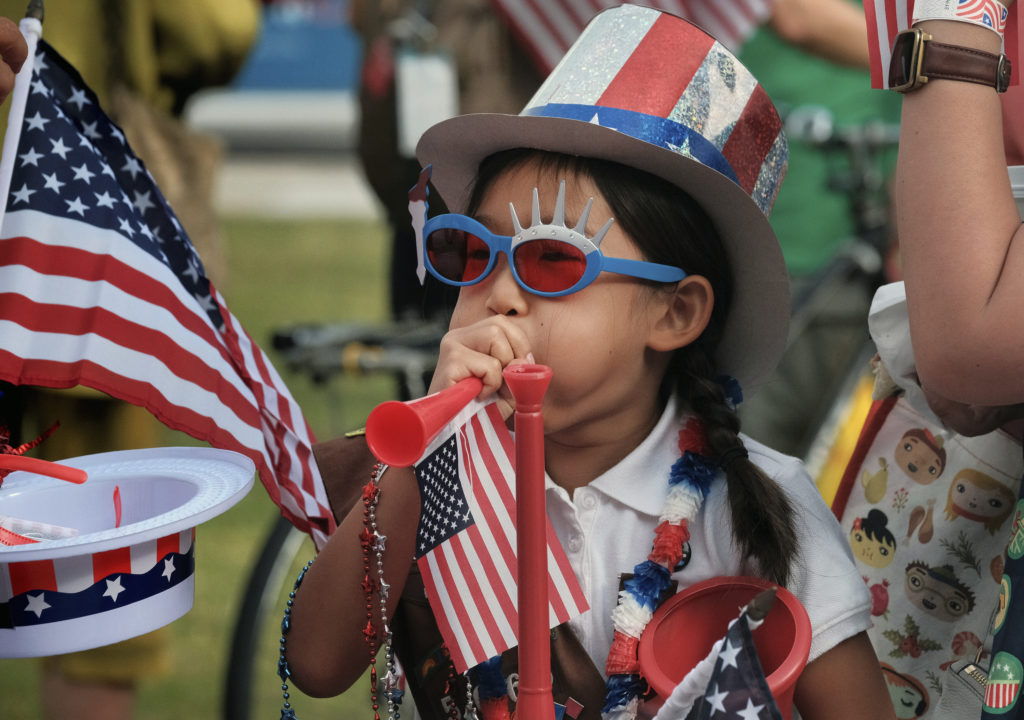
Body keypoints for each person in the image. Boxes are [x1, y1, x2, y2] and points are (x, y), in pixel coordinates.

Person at [284, 6, 895, 719]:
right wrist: (426, 447)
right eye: (472, 253)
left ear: (676, 313)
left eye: (553, 260)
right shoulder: (434, 479)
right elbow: (317, 663)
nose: (499, 296)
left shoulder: (758, 509)